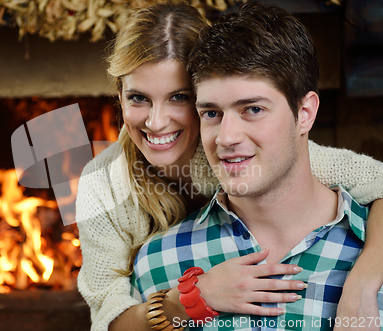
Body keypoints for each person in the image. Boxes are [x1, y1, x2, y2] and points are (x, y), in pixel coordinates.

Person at [75, 2, 383, 331]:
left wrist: (364, 282)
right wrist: (192, 298)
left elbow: (377, 183)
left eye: (178, 97)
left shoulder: (262, 154)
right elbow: (108, 315)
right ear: (119, 96)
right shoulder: (105, 185)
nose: (156, 121)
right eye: (138, 98)